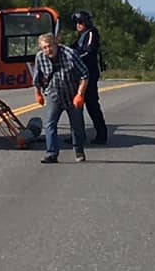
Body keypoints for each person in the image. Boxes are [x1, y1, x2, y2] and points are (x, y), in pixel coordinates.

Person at [33, 32, 89, 163]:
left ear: (56, 44)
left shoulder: (70, 54)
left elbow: (85, 75)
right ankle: (51, 153)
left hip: (72, 93)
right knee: (50, 124)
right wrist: (37, 93)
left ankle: (79, 151)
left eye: (50, 46)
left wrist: (80, 94)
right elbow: (37, 78)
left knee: (77, 126)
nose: (48, 50)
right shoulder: (40, 57)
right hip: (53, 94)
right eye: (44, 47)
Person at [72, 10, 108, 144]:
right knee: (76, 106)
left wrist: (74, 58)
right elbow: (73, 49)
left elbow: (89, 51)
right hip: (79, 74)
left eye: (80, 22)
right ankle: (77, 135)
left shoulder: (91, 34)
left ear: (86, 22)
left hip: (90, 74)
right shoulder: (80, 36)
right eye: (76, 22)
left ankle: (102, 134)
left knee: (92, 105)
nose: (78, 25)